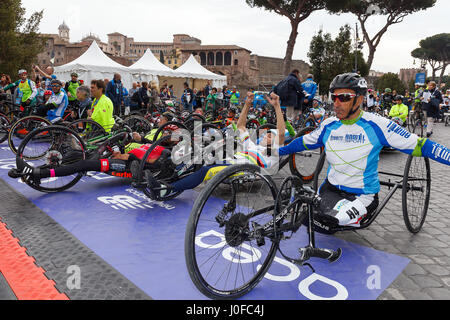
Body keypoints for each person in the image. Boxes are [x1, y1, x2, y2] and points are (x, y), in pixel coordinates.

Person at [279, 72, 450, 234]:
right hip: (331, 190)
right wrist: (274, 151)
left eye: (344, 97)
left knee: (330, 221)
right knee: (307, 218)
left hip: (362, 196)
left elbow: (423, 146)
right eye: (334, 97)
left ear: (359, 99)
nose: (336, 103)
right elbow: (301, 143)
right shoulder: (328, 124)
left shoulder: (377, 124)